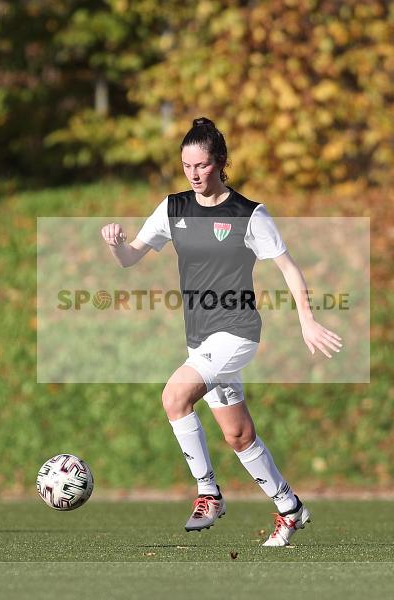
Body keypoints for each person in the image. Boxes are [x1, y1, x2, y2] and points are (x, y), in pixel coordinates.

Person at [100, 117, 342, 547]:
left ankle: (208, 493)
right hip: (200, 337)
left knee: (174, 397)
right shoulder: (173, 208)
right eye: (186, 165)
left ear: (221, 163)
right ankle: (290, 508)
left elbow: (288, 268)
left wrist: (306, 318)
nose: (194, 174)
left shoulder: (249, 214)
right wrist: (117, 243)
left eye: (202, 165)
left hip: (237, 331)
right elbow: (130, 258)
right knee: (238, 434)